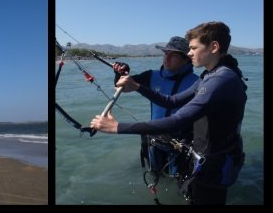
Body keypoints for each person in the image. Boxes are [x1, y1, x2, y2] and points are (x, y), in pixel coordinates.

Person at [91, 21, 246, 205]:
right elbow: (171, 101)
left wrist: (117, 127)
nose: (190, 53)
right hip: (203, 159)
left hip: (216, 165)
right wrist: (137, 86)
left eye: (193, 48)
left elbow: (177, 120)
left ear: (214, 47)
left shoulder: (221, 79)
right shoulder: (210, 75)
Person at [113, 36, 199, 180]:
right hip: (154, 141)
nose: (167, 58)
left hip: (181, 146)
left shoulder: (197, 83)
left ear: (186, 59)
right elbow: (123, 87)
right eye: (166, 53)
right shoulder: (151, 75)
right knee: (155, 178)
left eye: (173, 55)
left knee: (180, 184)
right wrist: (120, 74)